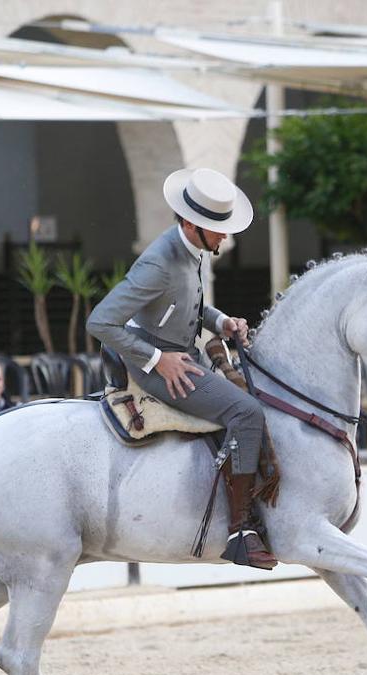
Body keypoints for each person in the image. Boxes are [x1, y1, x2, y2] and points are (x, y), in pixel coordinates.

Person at [87, 167, 274, 570]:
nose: (225, 235)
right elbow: (100, 322)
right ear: (191, 224)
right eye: (216, 227)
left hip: (183, 353)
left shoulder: (190, 250)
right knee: (246, 411)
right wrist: (158, 360)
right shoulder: (158, 263)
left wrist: (221, 321)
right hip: (159, 365)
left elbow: (185, 305)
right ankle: (240, 531)